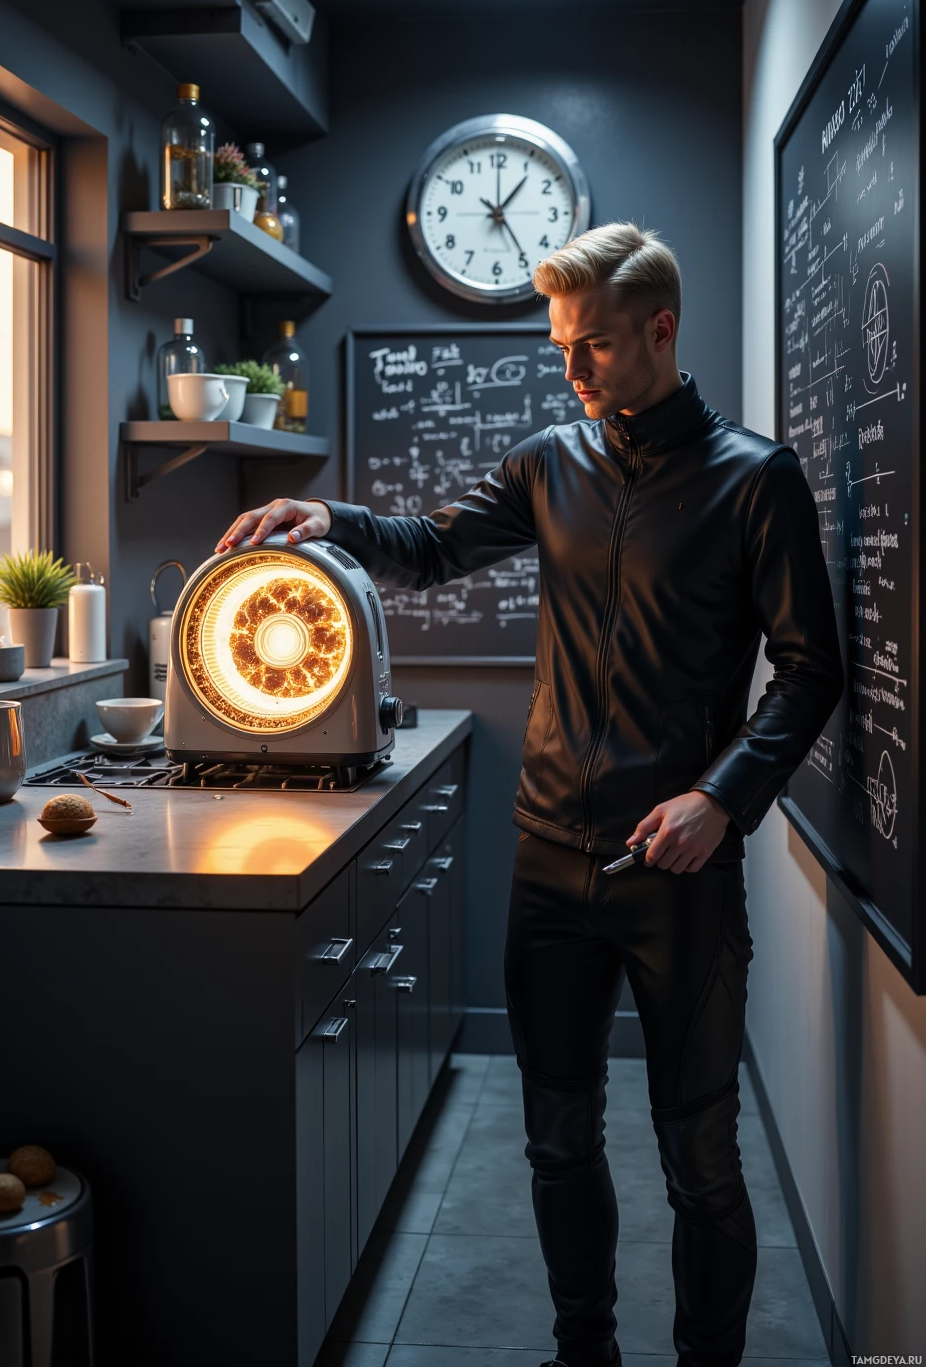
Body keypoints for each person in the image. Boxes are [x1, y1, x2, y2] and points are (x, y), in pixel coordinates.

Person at [215, 222, 843, 1367]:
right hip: (549, 860)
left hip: (679, 870)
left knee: (698, 1159)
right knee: (556, 1141)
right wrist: (331, 521)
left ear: (660, 331)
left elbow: (812, 673)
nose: (572, 369)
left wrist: (720, 801)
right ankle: (583, 1351)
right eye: (561, 346)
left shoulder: (758, 480)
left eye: (593, 346)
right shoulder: (550, 461)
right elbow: (431, 547)